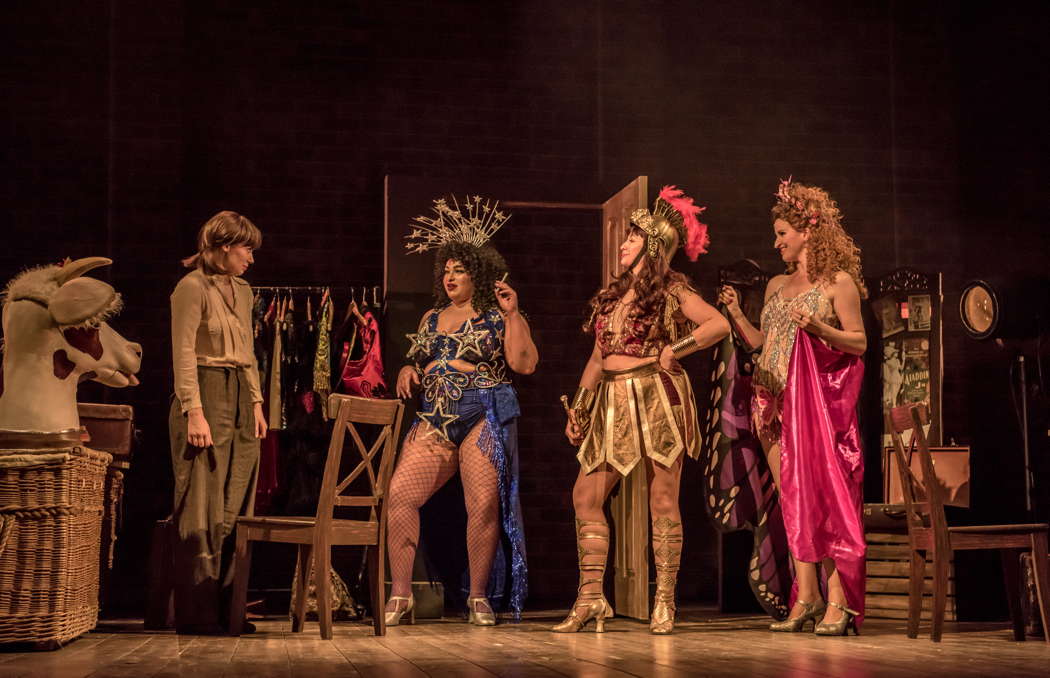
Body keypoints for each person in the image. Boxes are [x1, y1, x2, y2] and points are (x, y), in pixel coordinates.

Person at [554, 186, 729, 635]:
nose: (624, 243)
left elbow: (717, 323)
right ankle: (591, 597)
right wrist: (580, 406)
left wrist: (678, 347)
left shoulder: (671, 289)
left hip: (655, 394)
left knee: (662, 498)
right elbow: (597, 358)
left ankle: (664, 600)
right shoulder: (612, 296)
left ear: (652, 247)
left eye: (632, 237)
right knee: (585, 495)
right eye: (625, 236)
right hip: (611, 400)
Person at [718, 177, 867, 635]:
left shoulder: (838, 283)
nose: (776, 241)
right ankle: (807, 597)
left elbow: (859, 343)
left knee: (824, 499)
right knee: (792, 500)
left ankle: (839, 601)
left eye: (783, 232)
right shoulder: (776, 285)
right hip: (770, 401)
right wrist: (740, 317)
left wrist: (821, 329)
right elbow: (767, 346)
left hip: (815, 407)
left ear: (807, 232)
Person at [385, 196, 538, 626]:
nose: (451, 276)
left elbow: (525, 363)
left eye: (460, 269)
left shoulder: (496, 315)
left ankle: (477, 597)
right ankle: (400, 595)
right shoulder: (432, 317)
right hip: (434, 417)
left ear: (479, 274)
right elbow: (420, 359)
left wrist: (512, 315)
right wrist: (405, 368)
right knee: (400, 495)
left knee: (484, 504)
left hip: (481, 412)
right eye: (446, 270)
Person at [169, 210, 267, 634]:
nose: (251, 258)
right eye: (246, 248)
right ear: (225, 246)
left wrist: (258, 402)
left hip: (241, 395)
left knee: (236, 503)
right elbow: (184, 352)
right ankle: (199, 611)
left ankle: (230, 608)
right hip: (206, 392)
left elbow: (247, 348)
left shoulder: (242, 290)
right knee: (202, 505)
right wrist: (194, 409)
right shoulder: (190, 288)